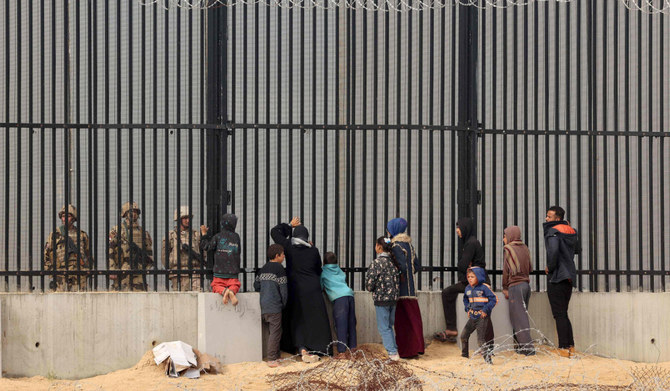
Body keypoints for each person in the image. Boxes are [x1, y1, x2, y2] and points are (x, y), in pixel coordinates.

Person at [271, 217, 332, 362]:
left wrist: (289, 225)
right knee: (315, 318)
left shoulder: (289, 247)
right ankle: (320, 347)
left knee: (298, 318)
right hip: (313, 288)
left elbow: (274, 232)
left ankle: (301, 347)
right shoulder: (313, 250)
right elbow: (318, 269)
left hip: (296, 288)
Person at [435, 217, 493, 347]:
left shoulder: (470, 243)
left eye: (458, 227)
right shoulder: (471, 242)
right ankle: (488, 344)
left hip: (476, 282)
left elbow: (462, 265)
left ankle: (451, 328)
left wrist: (464, 264)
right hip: (476, 280)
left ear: (465, 228)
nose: (457, 231)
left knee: (447, 292)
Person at [544, 205, 580, 358]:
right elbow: (577, 250)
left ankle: (563, 348)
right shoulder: (571, 231)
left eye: (549, 216)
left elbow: (553, 252)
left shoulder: (553, 232)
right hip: (570, 275)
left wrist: (550, 268)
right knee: (563, 313)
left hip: (558, 276)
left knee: (559, 314)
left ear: (557, 218)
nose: (546, 219)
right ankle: (570, 346)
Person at [386, 217, 424, 358]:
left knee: (402, 322)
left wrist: (396, 275)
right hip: (411, 289)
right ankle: (417, 348)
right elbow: (417, 266)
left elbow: (400, 266)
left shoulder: (396, 246)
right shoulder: (409, 245)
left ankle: (407, 350)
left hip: (401, 291)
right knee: (413, 320)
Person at [365, 236, 401, 361]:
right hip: (394, 299)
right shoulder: (393, 262)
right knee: (389, 326)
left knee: (383, 328)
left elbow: (369, 284)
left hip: (381, 300)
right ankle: (394, 350)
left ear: (379, 247)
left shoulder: (377, 263)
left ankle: (392, 353)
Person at [254, 244, 289, 368]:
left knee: (273, 331)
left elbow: (256, 286)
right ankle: (272, 359)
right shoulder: (279, 269)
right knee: (275, 332)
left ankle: (276, 355)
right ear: (277, 256)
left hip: (264, 306)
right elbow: (284, 290)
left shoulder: (263, 268)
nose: (284, 256)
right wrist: (283, 304)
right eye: (283, 254)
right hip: (275, 306)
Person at [502, 225, 535, 355]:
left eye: (505, 236)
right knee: (522, 315)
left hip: (515, 286)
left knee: (519, 318)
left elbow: (506, 271)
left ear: (510, 235)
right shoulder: (524, 248)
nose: (503, 239)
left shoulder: (509, 249)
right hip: (526, 285)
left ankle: (528, 349)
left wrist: (505, 287)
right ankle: (522, 347)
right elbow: (530, 267)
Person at [43, 204, 91, 291]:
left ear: (73, 218)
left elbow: (88, 254)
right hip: (61, 273)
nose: (64, 218)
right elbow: (46, 253)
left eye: (68, 216)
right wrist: (51, 271)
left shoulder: (82, 235)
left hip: (79, 273)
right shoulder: (55, 234)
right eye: (63, 216)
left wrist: (88, 269)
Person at [108, 202, 153, 291]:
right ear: (125, 213)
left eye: (136, 212)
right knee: (120, 295)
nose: (134, 214)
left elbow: (149, 252)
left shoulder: (143, 232)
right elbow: (110, 250)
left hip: (139, 269)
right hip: (122, 268)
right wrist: (112, 269)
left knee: (140, 296)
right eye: (131, 211)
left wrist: (146, 268)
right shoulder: (117, 230)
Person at [162, 206, 208, 291]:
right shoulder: (171, 236)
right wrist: (172, 267)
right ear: (178, 219)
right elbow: (164, 257)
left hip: (196, 271)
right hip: (178, 272)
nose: (188, 220)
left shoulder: (196, 235)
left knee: (197, 297)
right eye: (185, 218)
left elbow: (204, 253)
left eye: (189, 218)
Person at [320, 252, 357, 354]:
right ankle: (353, 347)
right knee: (351, 322)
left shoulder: (323, 272)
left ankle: (342, 351)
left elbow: (321, 286)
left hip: (339, 298)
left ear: (324, 262)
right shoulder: (339, 270)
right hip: (350, 295)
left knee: (341, 324)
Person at [201, 214, 241, 305]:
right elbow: (239, 252)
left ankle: (224, 291)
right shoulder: (236, 237)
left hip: (219, 271)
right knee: (235, 285)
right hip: (233, 272)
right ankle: (231, 291)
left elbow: (206, 246)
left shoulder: (218, 237)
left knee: (215, 286)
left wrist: (204, 234)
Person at [461, 267, 497, 364]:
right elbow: (465, 299)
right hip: (472, 317)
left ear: (479, 277)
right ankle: (464, 356)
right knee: (464, 335)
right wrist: (467, 309)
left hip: (482, 317)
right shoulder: (467, 288)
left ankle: (488, 361)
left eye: (472, 276)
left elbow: (494, 299)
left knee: (481, 341)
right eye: (468, 277)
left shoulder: (484, 288)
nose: (470, 278)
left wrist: (485, 310)